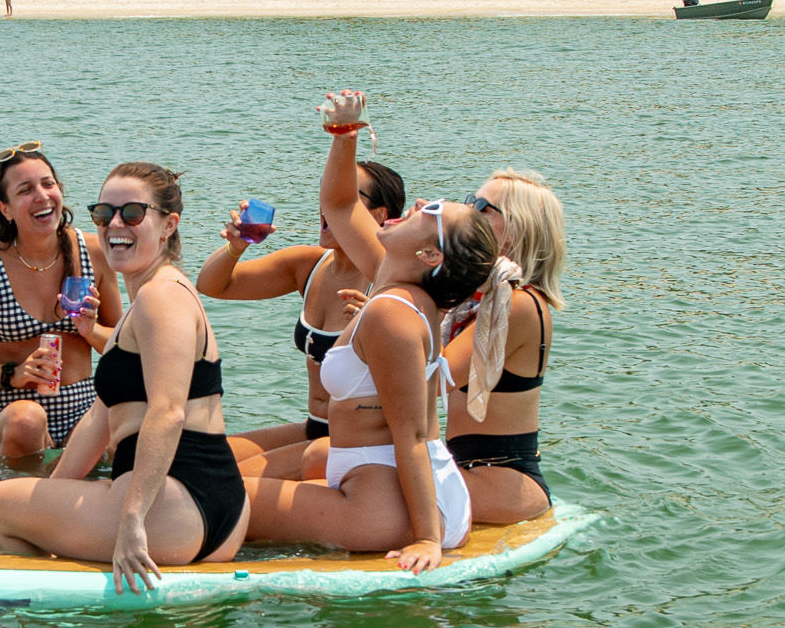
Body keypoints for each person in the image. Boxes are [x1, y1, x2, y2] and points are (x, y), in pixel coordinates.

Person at [243, 91, 499, 572]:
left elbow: (416, 433)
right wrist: (345, 132)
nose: (422, 201)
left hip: (389, 503)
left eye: (434, 210)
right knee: (212, 488)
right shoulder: (394, 280)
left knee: (207, 497)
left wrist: (428, 538)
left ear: (430, 256)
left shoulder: (393, 313)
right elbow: (339, 203)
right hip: (371, 482)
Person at [0, 163, 249, 591]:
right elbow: (101, 416)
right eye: (104, 214)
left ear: (168, 225)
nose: (115, 225)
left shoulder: (162, 297)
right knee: (26, 501)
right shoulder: (143, 301)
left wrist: (131, 520)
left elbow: (168, 411)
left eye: (133, 214)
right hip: (205, 507)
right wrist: (50, 494)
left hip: (176, 501)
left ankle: (50, 622)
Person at [195, 161, 406, 477]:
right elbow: (213, 286)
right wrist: (236, 246)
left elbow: (419, 373)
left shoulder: (388, 283)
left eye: (342, 195)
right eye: (326, 191)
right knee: (192, 458)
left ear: (377, 215)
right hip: (314, 428)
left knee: (217, 479)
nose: (327, 202)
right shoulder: (309, 265)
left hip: (361, 443)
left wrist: (379, 325)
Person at [0, 144, 124, 460]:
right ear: (5, 208)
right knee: (28, 421)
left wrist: (90, 329)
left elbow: (121, 346)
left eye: (48, 184)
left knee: (113, 434)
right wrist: (10, 374)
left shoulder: (93, 252)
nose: (42, 196)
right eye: (25, 190)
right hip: (13, 410)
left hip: (82, 402)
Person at [441, 169, 567, 525]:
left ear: (515, 230)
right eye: (469, 200)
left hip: (500, 480)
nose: (467, 211)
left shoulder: (519, 304)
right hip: (472, 472)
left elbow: (438, 374)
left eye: (481, 207)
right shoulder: (478, 301)